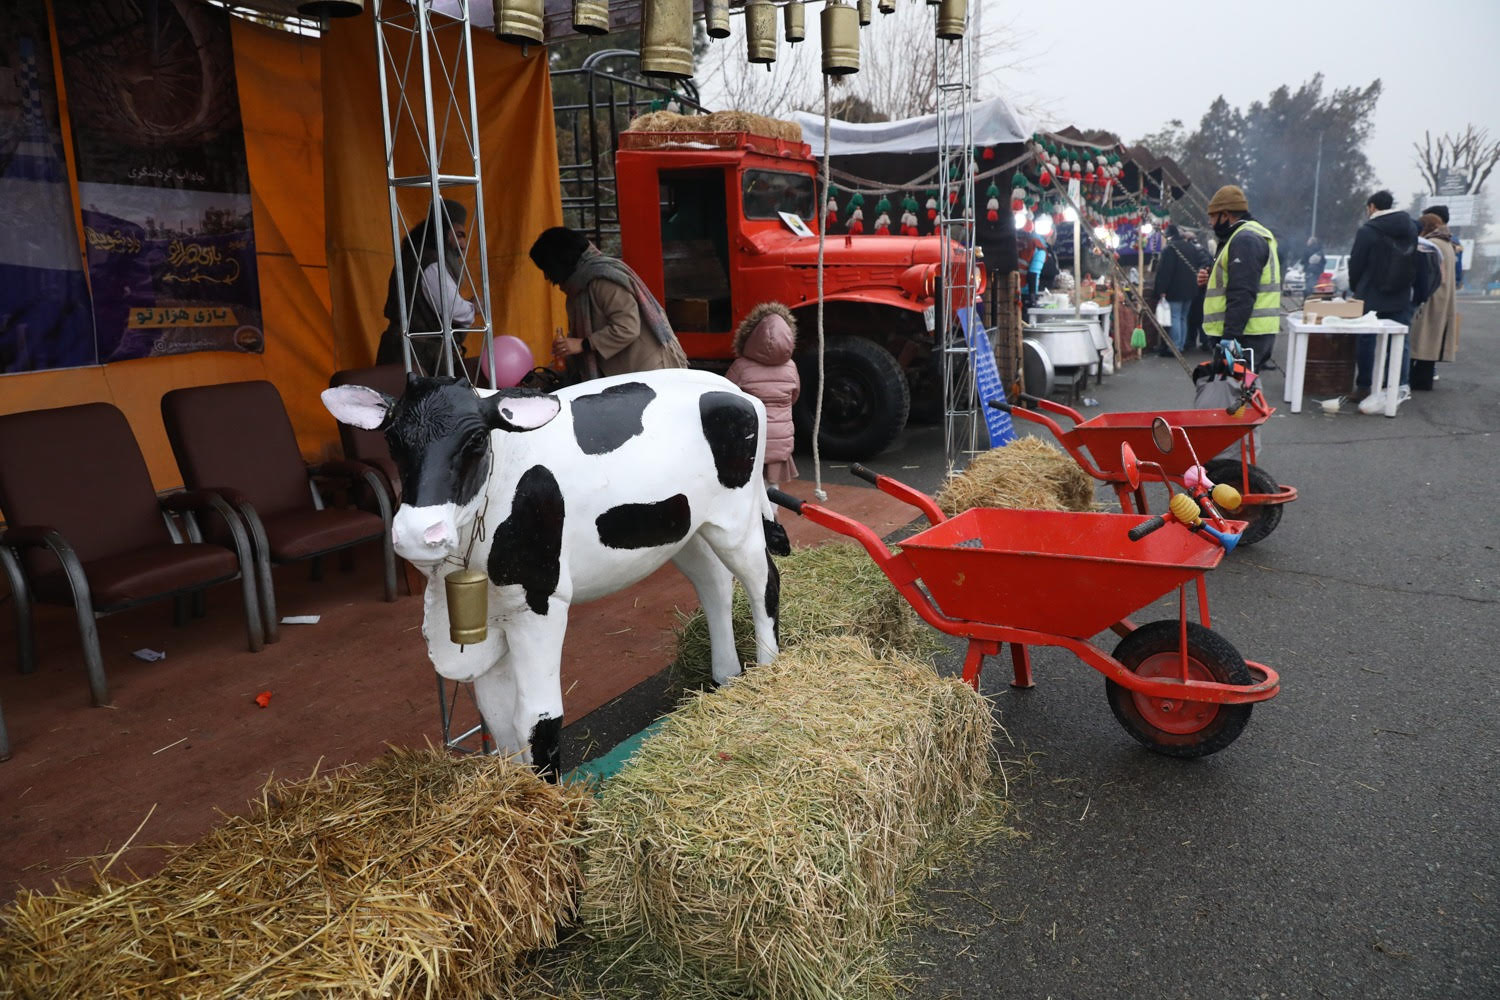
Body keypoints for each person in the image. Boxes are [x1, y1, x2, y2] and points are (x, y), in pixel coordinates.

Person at [528, 226, 688, 378]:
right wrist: (554, 368)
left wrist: (583, 344)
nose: (546, 277)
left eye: (546, 269)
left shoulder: (603, 281)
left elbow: (627, 328)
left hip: (649, 371)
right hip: (631, 372)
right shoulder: (579, 287)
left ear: (559, 262)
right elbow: (578, 340)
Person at [376, 199, 475, 375]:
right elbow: (453, 309)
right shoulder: (430, 263)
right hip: (417, 355)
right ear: (443, 231)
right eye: (459, 235)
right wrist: (474, 308)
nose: (463, 245)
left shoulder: (414, 257)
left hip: (405, 350)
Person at [1347, 190, 1422, 412]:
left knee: (1366, 339)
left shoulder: (1368, 231)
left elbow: (1356, 263)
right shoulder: (1410, 228)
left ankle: (1364, 386)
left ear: (1372, 207)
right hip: (1401, 293)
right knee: (1399, 341)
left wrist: (1356, 287)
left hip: (1371, 293)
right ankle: (1397, 386)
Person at [1196, 185, 1281, 371]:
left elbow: (1242, 291)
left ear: (1225, 215)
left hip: (1245, 335)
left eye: (1212, 216)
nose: (1210, 222)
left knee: (1233, 385)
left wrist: (1230, 337)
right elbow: (1237, 280)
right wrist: (1209, 281)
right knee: (1240, 385)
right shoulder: (1242, 237)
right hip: (1248, 332)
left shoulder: (1245, 240)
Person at [726, 302, 800, 488]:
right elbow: (794, 396)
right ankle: (772, 505)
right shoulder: (791, 367)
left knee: (751, 483)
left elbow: (727, 397)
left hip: (751, 435)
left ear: (751, 335)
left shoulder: (740, 367)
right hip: (780, 436)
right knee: (773, 485)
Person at [1407, 213, 1459, 391]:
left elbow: (1428, 272)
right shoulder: (1447, 244)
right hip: (1444, 296)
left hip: (1431, 296)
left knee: (1420, 339)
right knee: (1431, 341)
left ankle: (1413, 380)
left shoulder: (1432, 244)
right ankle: (1423, 380)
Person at [1152, 223, 1211, 356]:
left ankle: (1175, 347)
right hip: (1190, 289)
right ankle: (1181, 344)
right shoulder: (1191, 247)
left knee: (1175, 317)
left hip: (1175, 290)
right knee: (1183, 318)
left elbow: (1165, 272)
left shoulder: (1170, 249)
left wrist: (1161, 290)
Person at [1423, 205, 1462, 289]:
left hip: (1436, 288)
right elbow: (1457, 267)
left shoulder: (1432, 242)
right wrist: (1457, 282)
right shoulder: (1452, 240)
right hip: (1448, 287)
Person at [1300, 236, 1326, 301]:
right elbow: (1324, 261)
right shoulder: (1320, 251)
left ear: (1310, 242)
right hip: (1319, 272)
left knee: (1309, 286)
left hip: (1309, 271)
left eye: (1308, 241)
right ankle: (1317, 299)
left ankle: (1307, 300)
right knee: (1317, 286)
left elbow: (1302, 261)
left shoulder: (1307, 250)